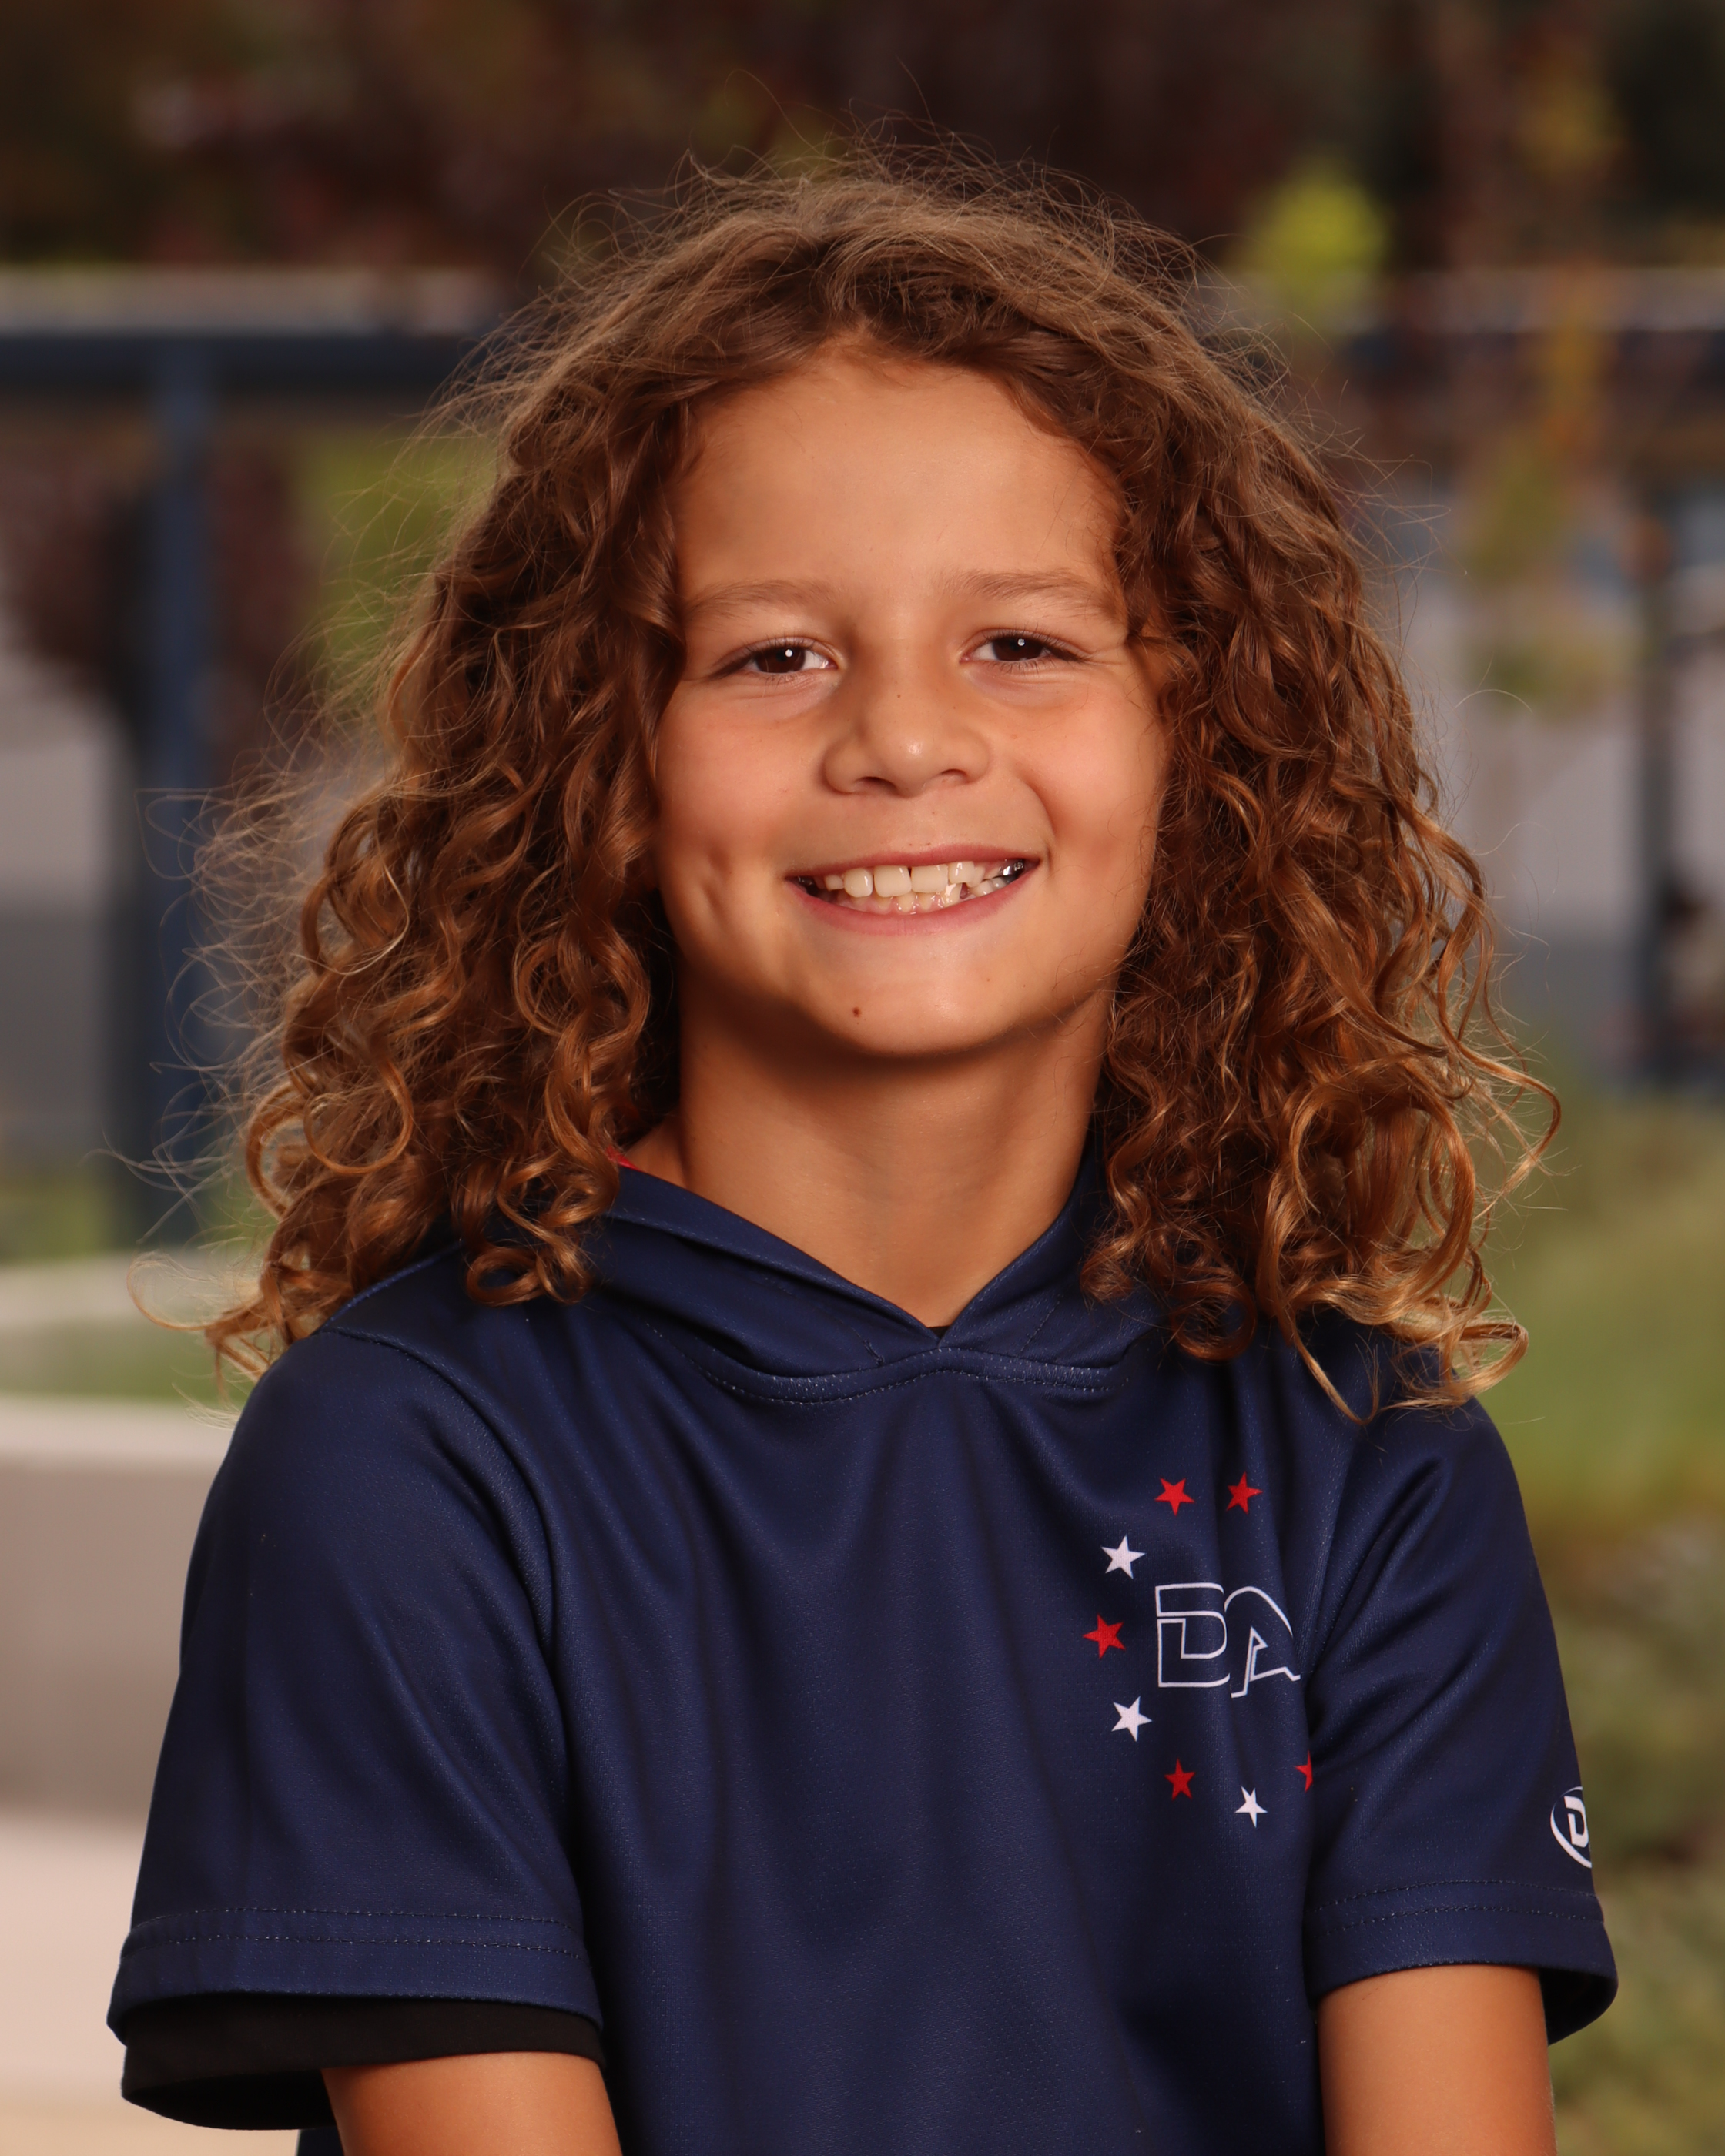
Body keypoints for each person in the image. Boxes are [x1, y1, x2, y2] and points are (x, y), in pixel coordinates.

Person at [109, 152, 1614, 2156]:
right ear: (606, 765)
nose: (903, 739)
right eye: (774, 655)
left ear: (1198, 745)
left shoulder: (1372, 1468)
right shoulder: (407, 1467)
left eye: (1022, 644)